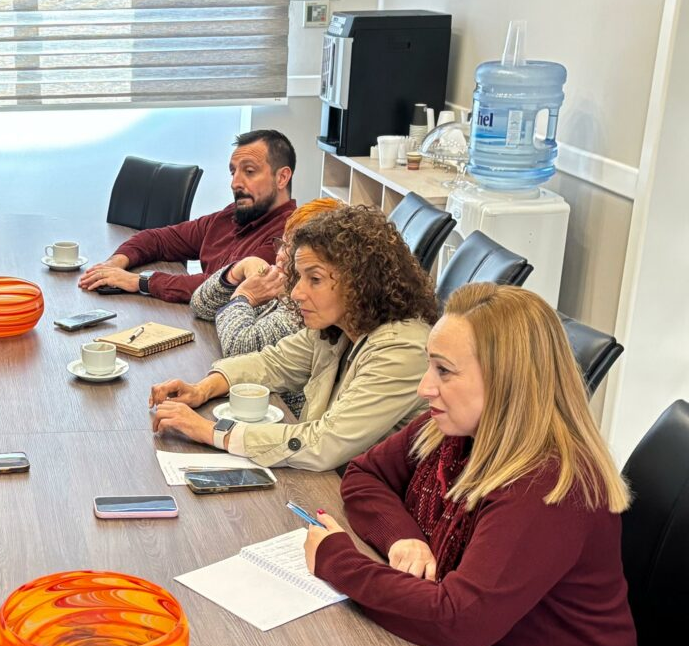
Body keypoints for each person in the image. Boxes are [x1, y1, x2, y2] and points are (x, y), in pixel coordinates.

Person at [303, 284, 638, 646]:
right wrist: (403, 537)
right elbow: (364, 475)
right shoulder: (452, 430)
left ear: (506, 382)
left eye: (444, 371)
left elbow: (460, 622)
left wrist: (339, 561)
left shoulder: (548, 484)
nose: (425, 387)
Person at [148, 204, 436, 471]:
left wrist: (211, 431)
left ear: (362, 281)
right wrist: (202, 389)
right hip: (333, 483)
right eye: (299, 277)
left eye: (315, 279)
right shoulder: (342, 325)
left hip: (366, 498)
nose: (297, 292)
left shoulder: (401, 350)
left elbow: (325, 444)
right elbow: (272, 363)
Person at [78, 130, 298, 303]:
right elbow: (159, 239)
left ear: (282, 178)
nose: (235, 183)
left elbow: (217, 288)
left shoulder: (289, 237)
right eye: (233, 172)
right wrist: (114, 265)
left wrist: (139, 281)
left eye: (249, 171)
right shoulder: (230, 216)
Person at [189, 197, 345, 416]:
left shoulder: (306, 308)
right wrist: (238, 269)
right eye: (282, 244)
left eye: (290, 249)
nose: (279, 256)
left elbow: (239, 347)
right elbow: (200, 304)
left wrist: (244, 296)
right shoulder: (284, 282)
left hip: (280, 414)